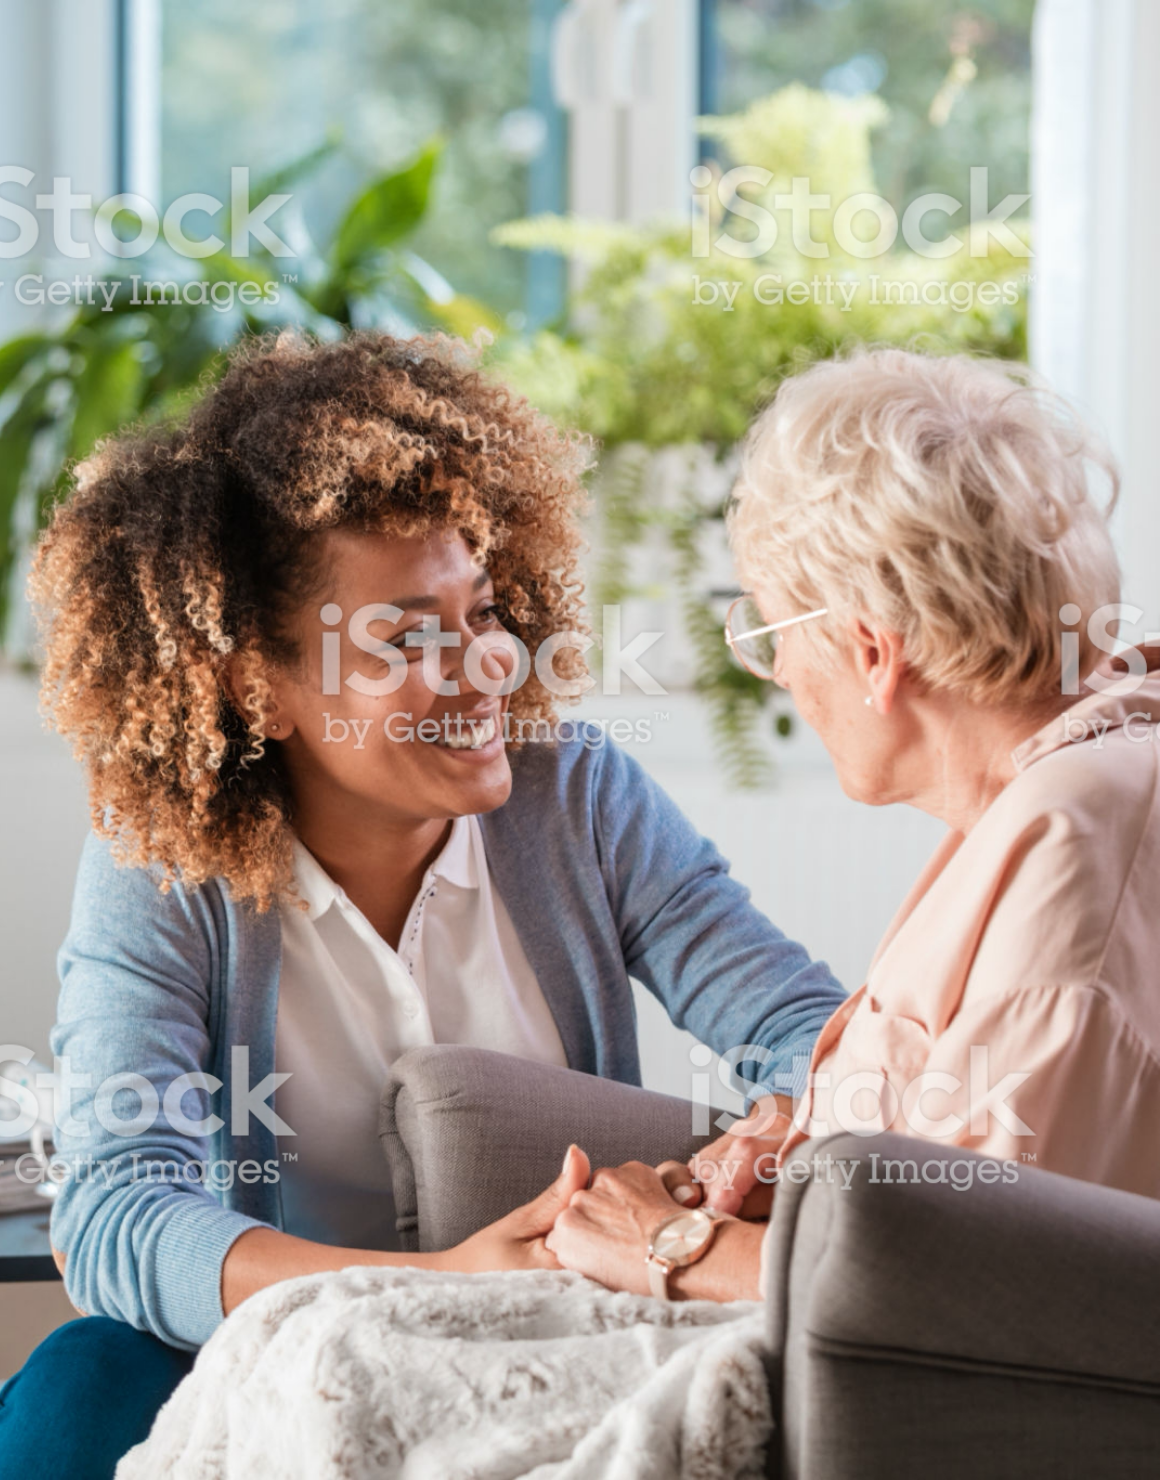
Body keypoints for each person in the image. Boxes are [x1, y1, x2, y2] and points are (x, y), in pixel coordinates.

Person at [0, 330, 845, 1480]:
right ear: (256, 684)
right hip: (282, 1353)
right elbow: (117, 1210)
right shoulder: (165, 863)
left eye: (484, 612)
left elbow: (803, 1031)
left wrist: (754, 1147)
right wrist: (435, 1284)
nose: (485, 668)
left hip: (550, 1343)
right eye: (405, 636)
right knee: (77, 1387)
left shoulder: (575, 795)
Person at [542, 347, 1160, 1303]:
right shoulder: (1069, 784)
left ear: (872, 651)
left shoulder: (1072, 839)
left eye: (772, 633)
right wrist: (806, 1148)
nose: (780, 672)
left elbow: (977, 1286)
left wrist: (670, 1243)